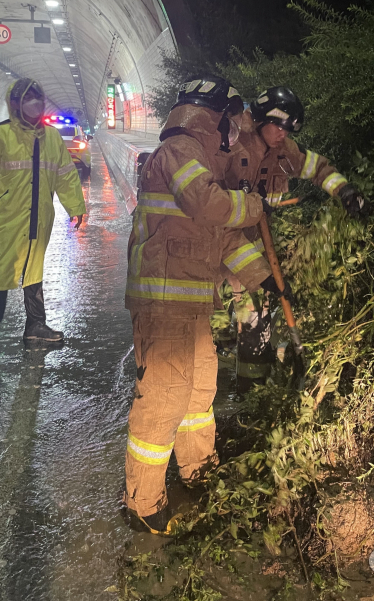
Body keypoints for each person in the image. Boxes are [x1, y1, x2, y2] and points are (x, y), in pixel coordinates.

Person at [124, 75, 281, 535]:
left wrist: (264, 280)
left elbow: (223, 237)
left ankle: (199, 470)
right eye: (232, 122)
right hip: (163, 300)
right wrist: (255, 206)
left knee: (198, 391)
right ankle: (143, 503)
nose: (237, 133)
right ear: (213, 116)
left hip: (189, 303)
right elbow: (212, 206)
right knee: (164, 397)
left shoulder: (202, 159)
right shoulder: (178, 153)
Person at [224, 86, 371, 390]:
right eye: (280, 128)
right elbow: (215, 213)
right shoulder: (234, 146)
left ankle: (251, 390)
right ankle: (235, 390)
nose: (283, 136)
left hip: (249, 245)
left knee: (257, 314)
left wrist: (343, 191)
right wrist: (263, 276)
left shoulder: (282, 149)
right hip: (219, 249)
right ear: (264, 121)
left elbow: (316, 167)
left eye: (288, 131)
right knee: (238, 315)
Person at [0, 78, 86, 347]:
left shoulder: (52, 137)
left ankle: (35, 326)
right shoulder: (0, 135)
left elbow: (66, 176)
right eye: (28, 98)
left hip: (40, 217)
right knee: (0, 274)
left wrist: (76, 207)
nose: (36, 103)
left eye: (38, 97)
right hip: (8, 218)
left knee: (34, 271)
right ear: (15, 104)